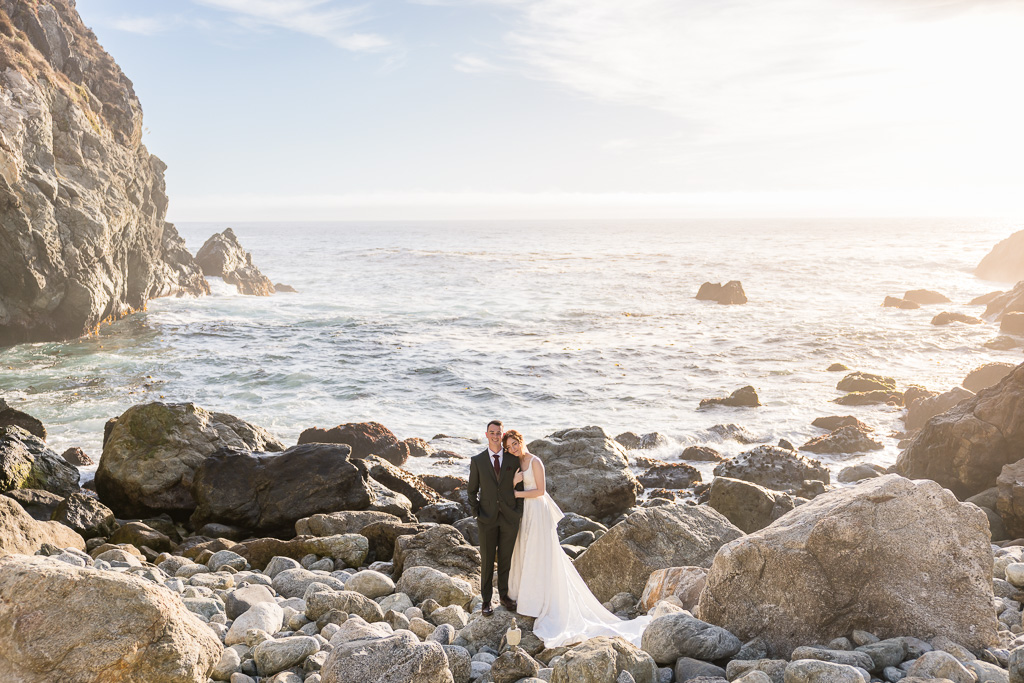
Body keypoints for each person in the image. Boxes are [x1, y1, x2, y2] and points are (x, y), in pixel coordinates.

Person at [504, 429, 651, 648]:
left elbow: (541, 490)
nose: (513, 448)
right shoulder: (516, 465)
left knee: (541, 551)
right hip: (527, 511)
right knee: (528, 551)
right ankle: (529, 598)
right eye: (509, 447)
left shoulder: (535, 461)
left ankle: (545, 601)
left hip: (538, 509)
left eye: (515, 444)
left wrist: (516, 492)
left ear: (520, 441)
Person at [467, 419, 523, 616]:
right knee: (488, 561)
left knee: (506, 559)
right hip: (486, 519)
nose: (495, 436)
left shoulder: (513, 460)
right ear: (486, 434)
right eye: (492, 432)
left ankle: (505, 596)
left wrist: (517, 512)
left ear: (502, 434)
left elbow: (520, 488)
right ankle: (486, 601)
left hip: (509, 518)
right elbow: (471, 491)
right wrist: (477, 514)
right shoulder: (478, 461)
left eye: (498, 433)